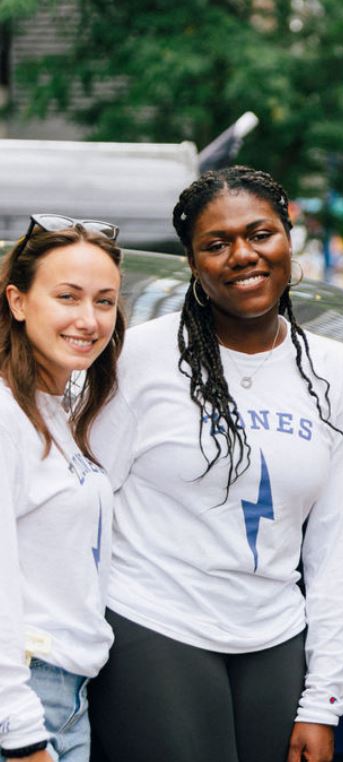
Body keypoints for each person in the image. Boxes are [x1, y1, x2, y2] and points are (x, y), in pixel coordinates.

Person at [87, 166, 343, 762]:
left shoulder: (333, 375)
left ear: (290, 236)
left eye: (260, 234)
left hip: (274, 633)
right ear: (193, 263)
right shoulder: (139, 357)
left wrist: (324, 700)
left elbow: (334, 550)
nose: (243, 255)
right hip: (154, 620)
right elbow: (85, 505)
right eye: (216, 245)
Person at [0, 216, 125, 761]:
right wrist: (22, 733)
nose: (88, 319)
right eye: (67, 297)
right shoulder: (6, 417)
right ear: (18, 301)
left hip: (68, 694)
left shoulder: (59, 413)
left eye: (104, 301)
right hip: (26, 699)